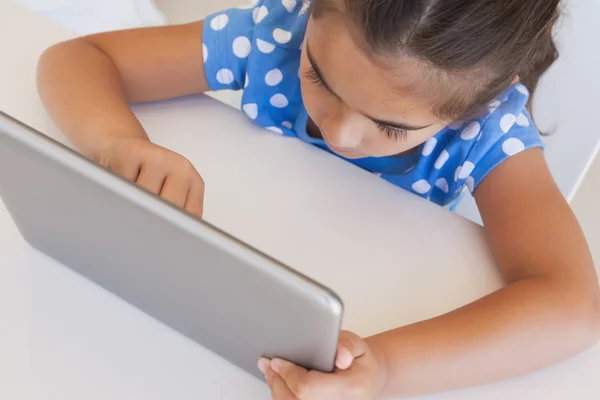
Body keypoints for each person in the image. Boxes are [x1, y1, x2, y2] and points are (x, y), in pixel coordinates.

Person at [36, 0, 600, 398]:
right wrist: (121, 143)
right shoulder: (275, 32)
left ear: (473, 108)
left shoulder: (488, 132)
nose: (340, 133)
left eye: (389, 126)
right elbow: (77, 60)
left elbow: (573, 306)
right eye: (320, 77)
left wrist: (387, 371)